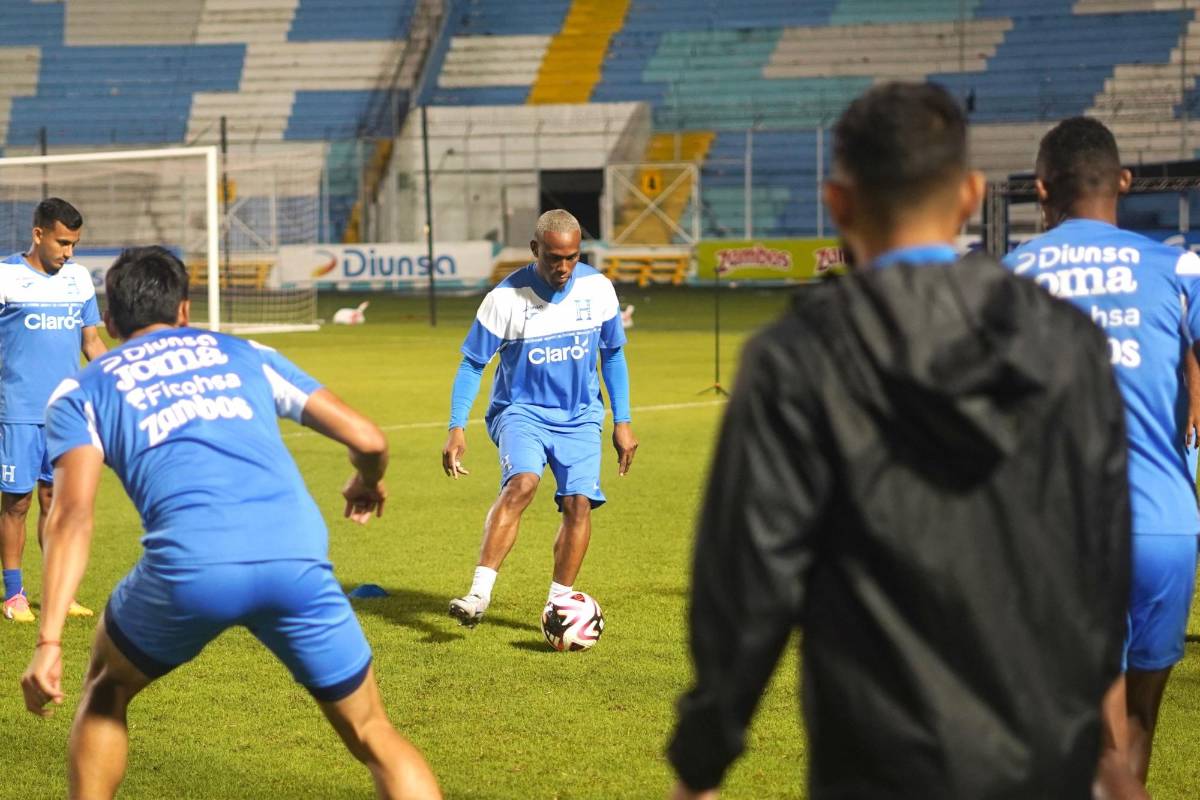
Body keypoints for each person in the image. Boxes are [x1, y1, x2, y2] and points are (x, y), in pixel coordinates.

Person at [667, 83, 1136, 799]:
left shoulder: (797, 357)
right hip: (1046, 760)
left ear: (838, 203)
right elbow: (1101, 556)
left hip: (877, 766)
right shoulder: (1069, 342)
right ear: (971, 195)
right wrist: (1098, 740)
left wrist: (701, 763)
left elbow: (748, 581)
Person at [20, 247, 441, 800]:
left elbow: (72, 515)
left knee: (106, 687)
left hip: (192, 568)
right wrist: (366, 480)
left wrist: (49, 639)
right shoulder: (245, 353)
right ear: (185, 310)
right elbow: (370, 439)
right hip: (295, 556)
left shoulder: (82, 391)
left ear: (112, 320)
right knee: (371, 730)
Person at [1002, 116, 1200, 789]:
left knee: (1093, 741)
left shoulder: (1012, 276)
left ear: (1040, 189)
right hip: (1166, 527)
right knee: (1135, 727)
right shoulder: (1177, 266)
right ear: (1124, 181)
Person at [441, 209, 638, 627]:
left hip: (581, 415)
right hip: (520, 411)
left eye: (572, 257)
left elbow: (612, 355)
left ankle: (559, 606)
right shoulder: (504, 299)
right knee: (522, 484)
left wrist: (622, 421)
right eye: (553, 258)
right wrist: (456, 427)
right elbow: (472, 364)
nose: (563, 267)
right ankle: (478, 595)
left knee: (578, 503)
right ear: (535, 249)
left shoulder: (598, 289)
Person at [1, 197, 106, 622]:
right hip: (17, 411)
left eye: (74, 244)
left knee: (54, 501)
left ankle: (59, 591)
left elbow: (92, 342)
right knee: (17, 502)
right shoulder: (5, 276)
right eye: (62, 242)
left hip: (66, 413)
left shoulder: (78, 280)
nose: (69, 253)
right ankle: (14, 594)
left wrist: (121, 381)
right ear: (38, 234)